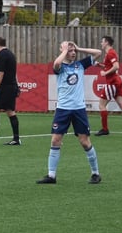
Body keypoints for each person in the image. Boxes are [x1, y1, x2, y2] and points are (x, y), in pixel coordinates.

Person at [37, 41, 103, 184]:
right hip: (63, 109)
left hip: (79, 109)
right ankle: (51, 175)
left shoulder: (80, 65)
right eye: (70, 51)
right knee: (55, 140)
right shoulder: (60, 67)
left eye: (74, 51)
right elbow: (56, 63)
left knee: (84, 142)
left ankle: (96, 173)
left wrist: (79, 48)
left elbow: (98, 52)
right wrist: (64, 51)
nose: (73, 53)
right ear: (62, 51)